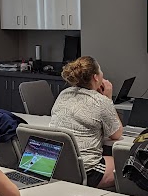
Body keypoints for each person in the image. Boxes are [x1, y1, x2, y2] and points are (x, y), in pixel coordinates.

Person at [49, 56, 123, 188]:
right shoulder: (100, 101)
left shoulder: (64, 94)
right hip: (86, 171)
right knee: (123, 163)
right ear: (96, 77)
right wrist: (108, 98)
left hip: (58, 167)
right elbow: (116, 134)